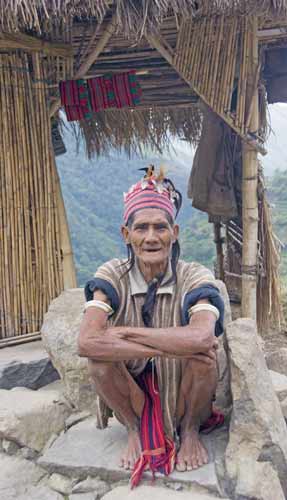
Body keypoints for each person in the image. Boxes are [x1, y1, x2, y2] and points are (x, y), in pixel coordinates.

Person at [78, 166, 226, 487]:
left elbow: (202, 338)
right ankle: (133, 427)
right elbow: (87, 342)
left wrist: (122, 334)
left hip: (183, 389)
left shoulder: (194, 276)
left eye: (160, 227)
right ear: (125, 234)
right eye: (141, 228)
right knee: (99, 360)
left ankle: (189, 430)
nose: (150, 237)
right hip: (132, 391)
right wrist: (174, 342)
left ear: (174, 232)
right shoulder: (112, 275)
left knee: (204, 358)